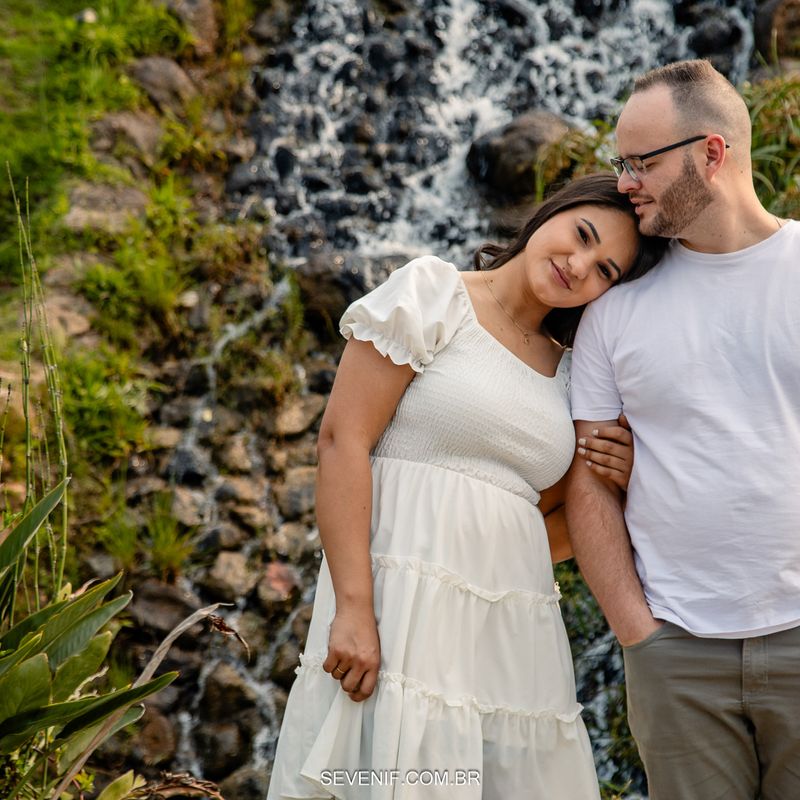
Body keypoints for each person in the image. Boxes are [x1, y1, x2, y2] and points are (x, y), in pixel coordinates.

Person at [267, 173, 666, 800]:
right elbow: (343, 443)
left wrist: (619, 474)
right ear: (550, 214)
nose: (579, 264)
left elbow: (544, 532)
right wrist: (353, 607)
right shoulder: (433, 293)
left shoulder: (574, 372)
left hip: (507, 634)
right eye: (581, 235)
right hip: (397, 610)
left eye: (605, 270)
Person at [566, 59, 800, 800]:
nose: (625, 179)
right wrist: (638, 632)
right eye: (621, 163)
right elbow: (587, 483)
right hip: (677, 653)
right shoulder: (613, 309)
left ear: (713, 152)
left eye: (643, 161)